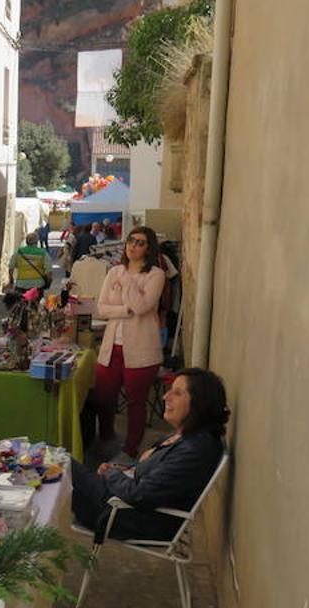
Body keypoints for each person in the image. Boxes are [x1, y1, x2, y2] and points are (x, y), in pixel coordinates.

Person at [72, 368, 228, 543]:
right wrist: (123, 469)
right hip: (119, 501)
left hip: (126, 516)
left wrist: (111, 474)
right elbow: (155, 478)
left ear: (199, 403)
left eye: (177, 393)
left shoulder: (195, 449)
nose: (165, 397)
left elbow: (140, 494)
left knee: (59, 464)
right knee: (53, 465)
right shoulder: (186, 436)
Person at [89, 226, 166, 460]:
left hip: (142, 349)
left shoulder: (155, 275)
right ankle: (106, 437)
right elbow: (101, 308)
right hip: (112, 347)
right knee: (104, 396)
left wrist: (131, 280)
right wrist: (125, 309)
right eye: (131, 240)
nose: (133, 245)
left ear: (149, 248)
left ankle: (130, 449)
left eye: (140, 242)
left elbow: (143, 307)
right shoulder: (114, 272)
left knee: (136, 402)